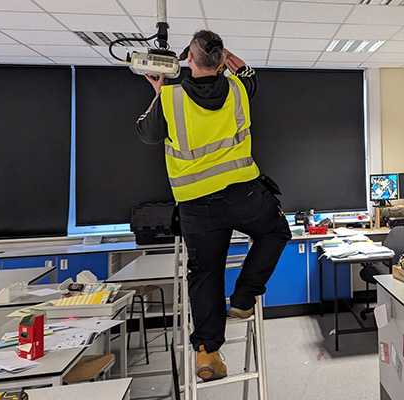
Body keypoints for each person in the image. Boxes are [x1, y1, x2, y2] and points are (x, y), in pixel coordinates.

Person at [136, 30, 291, 382]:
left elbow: (145, 132)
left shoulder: (170, 98)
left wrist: (159, 92)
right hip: (244, 195)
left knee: (205, 274)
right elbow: (249, 75)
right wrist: (226, 57)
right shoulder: (237, 89)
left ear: (187, 61)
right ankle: (243, 298)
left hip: (197, 204)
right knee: (276, 232)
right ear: (221, 61)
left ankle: (207, 353)